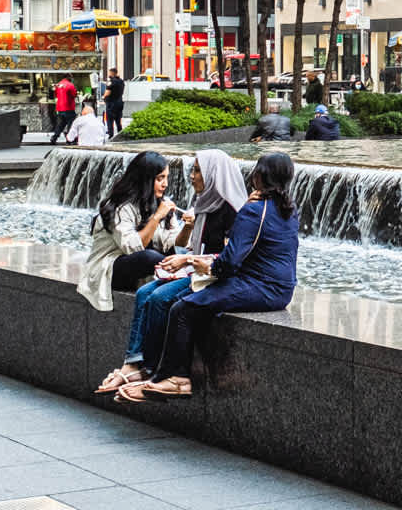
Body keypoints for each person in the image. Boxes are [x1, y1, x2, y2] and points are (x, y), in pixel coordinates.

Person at [122, 151, 300, 400]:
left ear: (259, 176)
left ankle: (177, 378)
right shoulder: (288, 209)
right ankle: (156, 374)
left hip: (259, 287)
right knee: (178, 300)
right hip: (281, 289)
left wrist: (201, 265)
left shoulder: (253, 210)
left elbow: (229, 262)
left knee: (182, 309)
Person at [95, 149, 247, 395]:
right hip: (122, 266)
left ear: (213, 175)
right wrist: (184, 252)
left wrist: (186, 253)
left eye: (197, 171)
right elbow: (135, 246)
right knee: (146, 291)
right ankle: (135, 364)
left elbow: (223, 257)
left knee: (159, 296)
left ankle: (155, 370)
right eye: (160, 178)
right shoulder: (126, 206)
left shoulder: (230, 210)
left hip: (210, 274)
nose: (191, 176)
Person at [77, 150, 181, 312]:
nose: (165, 184)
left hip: (143, 265)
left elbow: (173, 243)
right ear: (145, 179)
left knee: (178, 255)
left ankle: (181, 276)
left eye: (166, 178)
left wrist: (189, 227)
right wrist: (156, 218)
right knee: (149, 257)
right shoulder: (120, 206)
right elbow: (133, 247)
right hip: (111, 267)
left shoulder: (162, 203)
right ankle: (183, 277)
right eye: (160, 178)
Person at [50, 75, 78, 143]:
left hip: (60, 108)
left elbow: (56, 94)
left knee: (61, 124)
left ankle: (54, 137)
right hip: (69, 107)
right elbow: (74, 94)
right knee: (71, 124)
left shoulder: (58, 84)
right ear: (68, 77)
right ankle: (70, 139)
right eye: (71, 77)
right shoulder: (70, 85)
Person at [104, 68, 126, 138]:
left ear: (111, 73)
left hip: (111, 104)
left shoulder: (111, 81)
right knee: (118, 120)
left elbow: (108, 92)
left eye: (109, 73)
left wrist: (104, 97)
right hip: (119, 103)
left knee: (110, 120)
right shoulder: (121, 81)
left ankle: (111, 135)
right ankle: (120, 134)